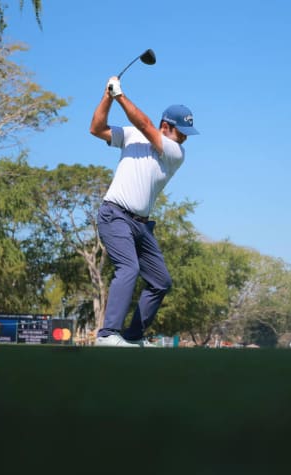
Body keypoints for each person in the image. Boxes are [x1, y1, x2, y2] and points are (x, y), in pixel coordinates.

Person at [89, 76, 199, 347]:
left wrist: (120, 96)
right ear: (167, 126)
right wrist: (107, 96)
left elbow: (145, 124)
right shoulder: (131, 135)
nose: (184, 138)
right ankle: (107, 335)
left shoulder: (175, 152)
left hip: (141, 226)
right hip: (115, 214)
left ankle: (132, 337)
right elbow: (96, 128)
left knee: (161, 281)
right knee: (128, 268)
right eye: (181, 132)